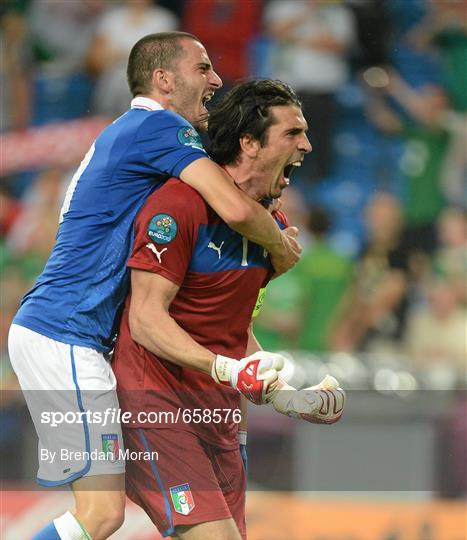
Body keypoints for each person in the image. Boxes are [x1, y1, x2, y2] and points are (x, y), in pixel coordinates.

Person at [7, 33, 301, 540]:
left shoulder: (134, 133)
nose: (215, 79)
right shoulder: (157, 126)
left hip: (71, 336)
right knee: (101, 515)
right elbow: (232, 207)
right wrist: (280, 246)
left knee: (104, 515)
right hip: (65, 334)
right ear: (164, 80)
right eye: (202, 68)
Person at [112, 79, 344, 540]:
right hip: (157, 405)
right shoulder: (179, 205)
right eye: (292, 134)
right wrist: (225, 368)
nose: (307, 145)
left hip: (219, 414)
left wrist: (284, 395)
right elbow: (145, 320)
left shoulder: (270, 227)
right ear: (249, 143)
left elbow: (237, 332)